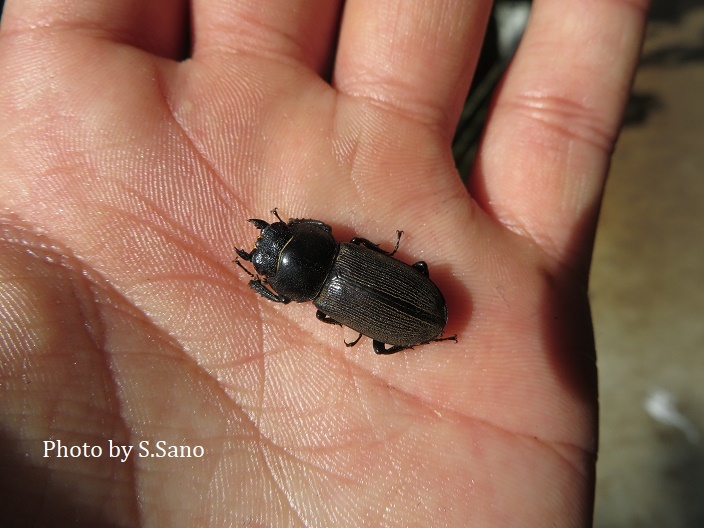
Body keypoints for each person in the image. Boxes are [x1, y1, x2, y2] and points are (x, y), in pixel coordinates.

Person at [0, 0, 648, 525]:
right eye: (276, 243)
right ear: (305, 243)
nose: (271, 239)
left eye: (272, 243)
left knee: (384, 322)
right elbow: (326, 244)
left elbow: (308, 267)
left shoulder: (321, 291)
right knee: (391, 304)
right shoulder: (338, 258)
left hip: (389, 305)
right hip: (394, 299)